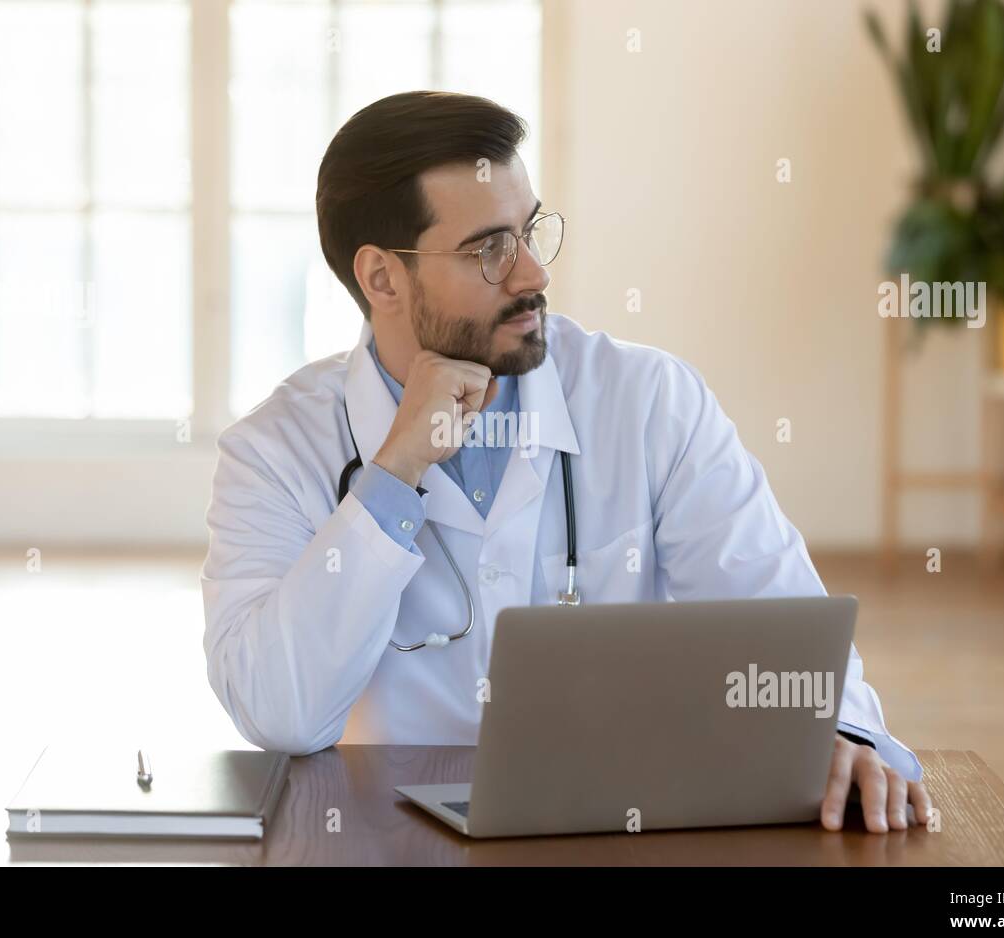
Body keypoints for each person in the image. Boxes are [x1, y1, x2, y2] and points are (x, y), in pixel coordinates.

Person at [201, 90, 931, 833]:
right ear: (383, 279)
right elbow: (280, 711)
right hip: (389, 840)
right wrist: (391, 477)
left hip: (616, 833)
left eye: (530, 232)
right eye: (489, 250)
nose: (532, 276)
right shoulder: (274, 452)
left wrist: (843, 737)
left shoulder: (648, 402)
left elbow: (789, 632)